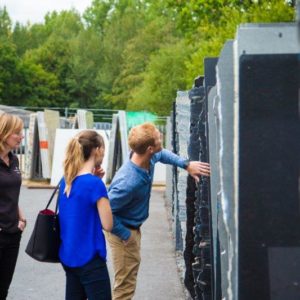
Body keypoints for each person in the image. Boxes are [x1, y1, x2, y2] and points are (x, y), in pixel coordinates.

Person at [106, 122, 210, 300]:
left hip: (131, 227)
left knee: (129, 277)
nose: (161, 137)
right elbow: (105, 213)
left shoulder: (147, 157)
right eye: (158, 137)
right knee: (125, 285)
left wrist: (186, 164)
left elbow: (162, 154)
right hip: (122, 232)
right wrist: (125, 235)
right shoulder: (128, 182)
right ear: (149, 148)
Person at [58, 130, 113, 300]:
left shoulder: (66, 180)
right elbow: (108, 224)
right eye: (103, 148)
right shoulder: (95, 184)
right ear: (97, 150)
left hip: (69, 256)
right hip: (90, 259)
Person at [0, 113, 26, 300]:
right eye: (17, 132)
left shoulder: (14, 159)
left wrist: (21, 217)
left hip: (12, 234)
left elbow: (11, 193)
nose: (21, 136)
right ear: (3, 132)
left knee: (3, 289)